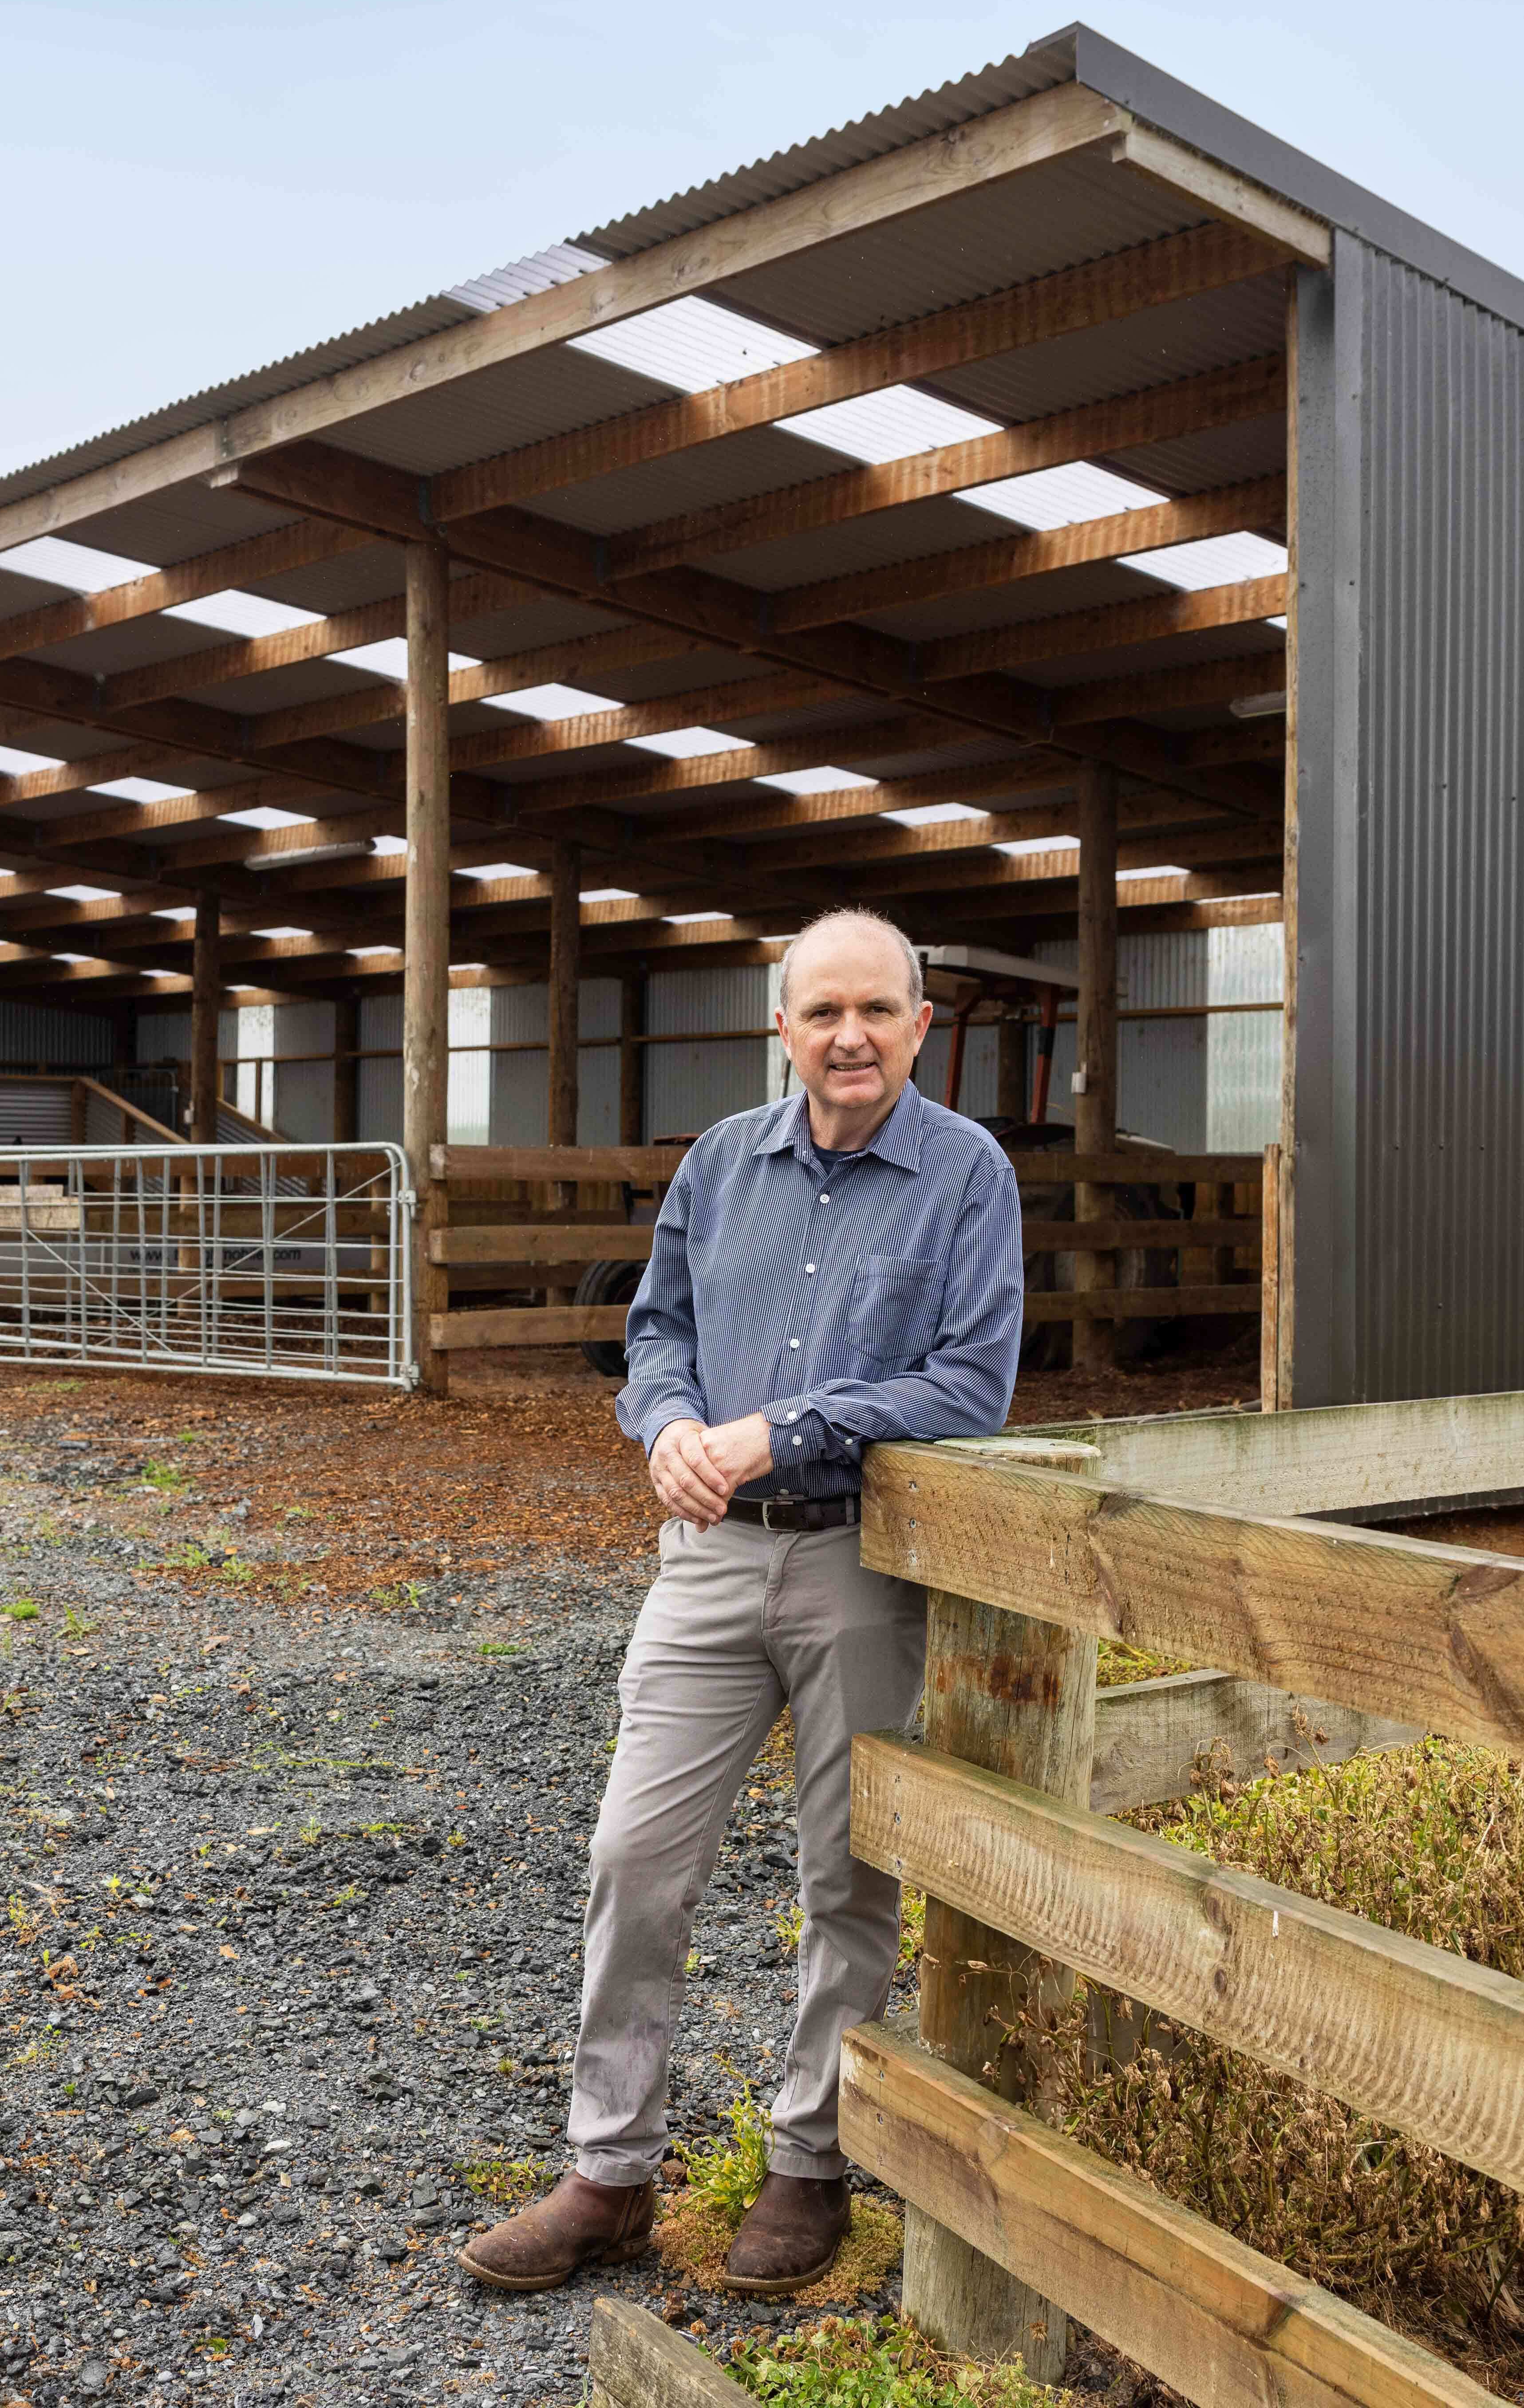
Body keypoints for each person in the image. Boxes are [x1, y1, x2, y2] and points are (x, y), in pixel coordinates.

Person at [458, 906, 1025, 2298]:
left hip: (860, 1564)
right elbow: (654, 1332)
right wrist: (658, 1426)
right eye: (821, 1012)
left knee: (849, 1876)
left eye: (875, 1012)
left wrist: (789, 1426)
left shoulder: (966, 1175)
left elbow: (971, 1386)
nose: (848, 1037)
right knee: (634, 1860)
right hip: (706, 1564)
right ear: (781, 1026)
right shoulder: (722, 1161)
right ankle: (608, 2174)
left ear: (916, 1026)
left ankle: (807, 2165)